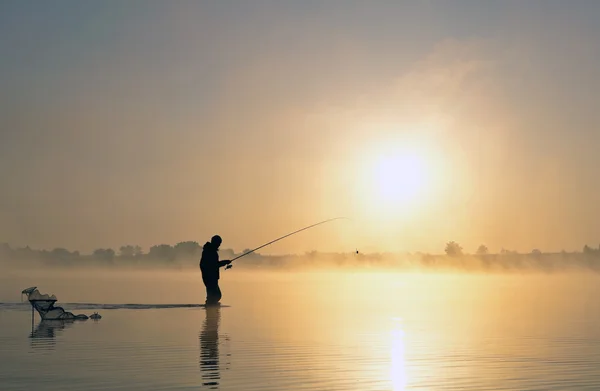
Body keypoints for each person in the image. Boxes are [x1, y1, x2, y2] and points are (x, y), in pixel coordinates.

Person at [200, 235, 232, 305]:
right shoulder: (210, 251)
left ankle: (211, 307)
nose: (219, 245)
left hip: (211, 277)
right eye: (218, 243)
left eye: (219, 244)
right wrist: (224, 262)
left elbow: (214, 264)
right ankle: (210, 307)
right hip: (210, 277)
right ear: (215, 242)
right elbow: (213, 264)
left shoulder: (210, 250)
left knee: (216, 295)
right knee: (215, 295)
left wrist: (224, 262)